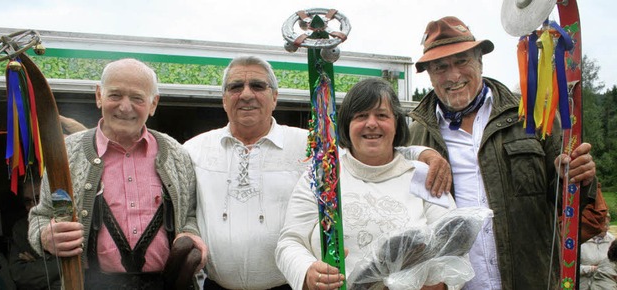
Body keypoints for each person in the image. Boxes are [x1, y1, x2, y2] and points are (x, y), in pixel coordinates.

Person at [182, 56, 451, 289]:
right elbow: (186, 212)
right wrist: (308, 272)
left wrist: (422, 154)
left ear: (275, 97)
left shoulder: (311, 148)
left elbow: (452, 243)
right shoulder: (193, 150)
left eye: (382, 115)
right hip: (218, 286)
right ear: (223, 98)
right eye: (236, 87)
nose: (247, 94)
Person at [407, 16, 598, 289]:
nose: (453, 75)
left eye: (462, 61)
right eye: (440, 67)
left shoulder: (532, 116)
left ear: (480, 61)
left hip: (531, 282)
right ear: (429, 73)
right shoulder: (417, 135)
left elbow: (567, 197)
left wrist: (581, 177)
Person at [27, 58, 207, 289]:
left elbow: (190, 215)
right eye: (115, 95)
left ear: (153, 104)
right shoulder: (65, 156)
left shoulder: (177, 155)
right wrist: (45, 236)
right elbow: (42, 216)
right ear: (99, 95)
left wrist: (190, 235)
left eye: (137, 98)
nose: (125, 107)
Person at [275, 78, 460, 290]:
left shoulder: (423, 176)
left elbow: (454, 249)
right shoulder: (321, 176)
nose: (371, 123)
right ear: (346, 125)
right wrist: (307, 272)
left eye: (382, 115)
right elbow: (289, 242)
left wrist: (434, 285)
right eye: (361, 116)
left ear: (397, 123)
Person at [9, 116, 86, 290]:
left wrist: (42, 262)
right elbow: (20, 274)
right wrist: (67, 262)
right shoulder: (22, 229)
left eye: (38, 199)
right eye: (28, 201)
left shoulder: (81, 216)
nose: (32, 206)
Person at [580, 214, 616, 290]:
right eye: (604, 225)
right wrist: (591, 268)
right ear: (594, 225)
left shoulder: (611, 239)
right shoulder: (579, 240)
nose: (607, 228)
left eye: (608, 224)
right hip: (582, 285)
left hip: (606, 285)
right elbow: (568, 267)